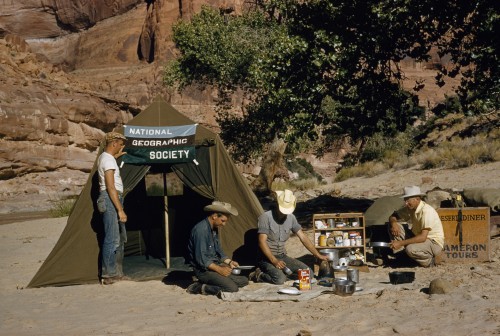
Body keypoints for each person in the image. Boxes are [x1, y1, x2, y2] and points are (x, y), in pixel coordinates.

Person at [251, 189, 328, 284]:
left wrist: (317, 254)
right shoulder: (265, 217)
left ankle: (282, 273)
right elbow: (261, 241)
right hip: (266, 258)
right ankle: (258, 274)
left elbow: (303, 237)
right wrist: (274, 261)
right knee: (279, 280)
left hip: (282, 256)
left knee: (308, 274)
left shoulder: (291, 218)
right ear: (278, 204)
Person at [186, 201, 249, 296]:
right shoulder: (201, 230)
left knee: (244, 280)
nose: (224, 224)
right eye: (223, 221)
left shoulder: (213, 229)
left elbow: (218, 250)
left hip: (215, 266)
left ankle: (214, 281)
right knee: (232, 288)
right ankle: (199, 287)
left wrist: (229, 262)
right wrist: (220, 270)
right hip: (203, 270)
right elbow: (202, 259)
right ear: (215, 216)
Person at [96, 131, 129, 285]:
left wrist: (115, 157)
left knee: (117, 238)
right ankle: (108, 275)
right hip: (110, 199)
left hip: (111, 199)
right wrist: (120, 209)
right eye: (120, 144)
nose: (121, 147)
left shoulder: (106, 158)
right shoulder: (107, 161)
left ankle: (115, 273)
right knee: (112, 239)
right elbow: (110, 186)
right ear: (114, 143)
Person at [388, 185, 445, 267]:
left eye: (408, 201)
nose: (406, 203)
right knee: (395, 225)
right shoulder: (410, 208)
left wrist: (400, 243)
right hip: (419, 236)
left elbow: (423, 237)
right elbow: (393, 216)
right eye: (405, 201)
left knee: (411, 249)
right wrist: (393, 224)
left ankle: (430, 261)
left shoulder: (426, 211)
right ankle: (403, 256)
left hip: (433, 242)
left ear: (417, 199)